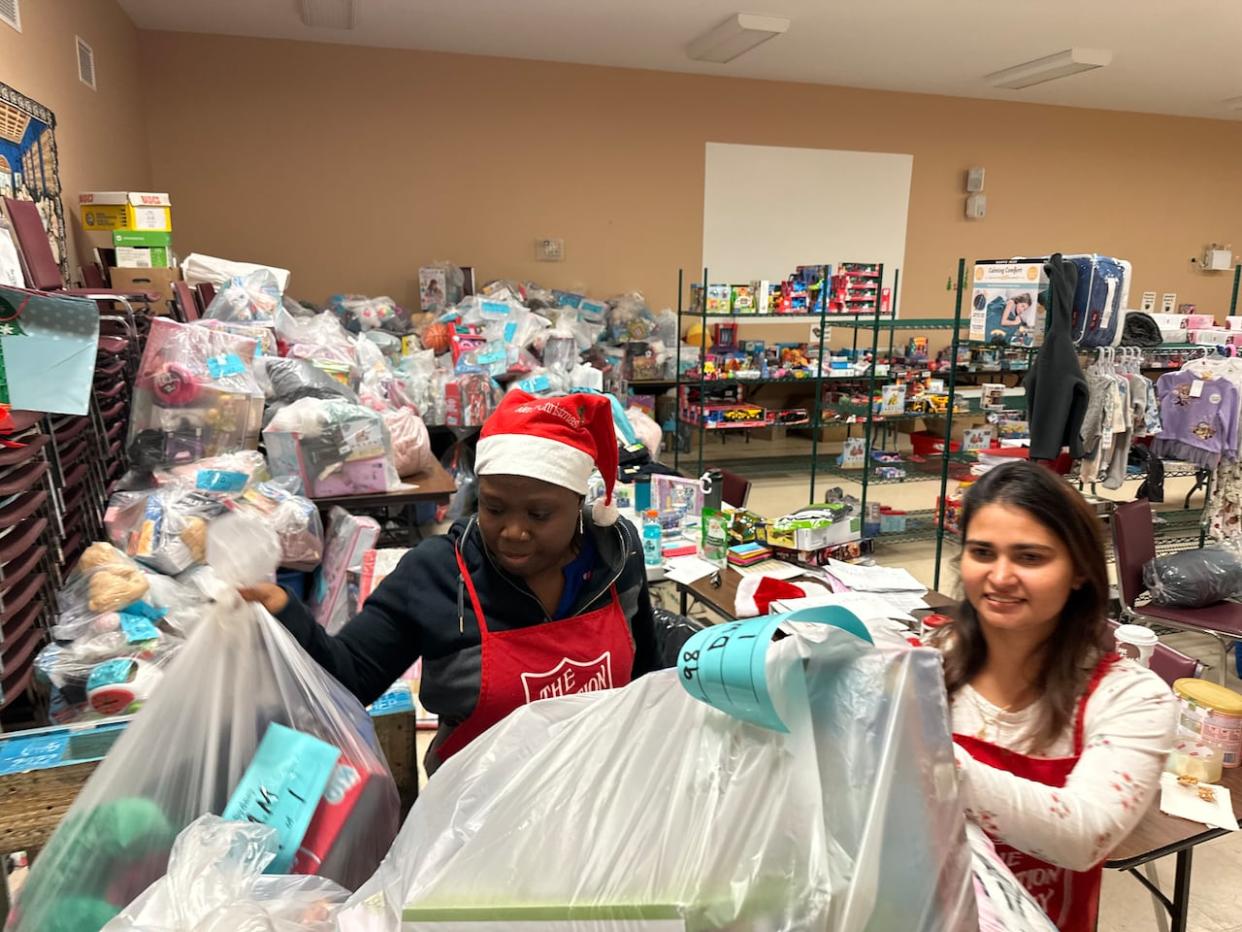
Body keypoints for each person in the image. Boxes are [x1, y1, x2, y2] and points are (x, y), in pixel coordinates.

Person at [241, 390, 662, 774]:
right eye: (494, 508)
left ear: (577, 503)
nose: (513, 532)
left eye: (539, 515)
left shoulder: (616, 557)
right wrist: (285, 611)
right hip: (473, 817)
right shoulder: (437, 574)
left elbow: (646, 679)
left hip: (592, 793)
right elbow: (349, 678)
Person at [930, 461, 1176, 932]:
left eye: (1030, 558)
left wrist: (931, 762)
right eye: (982, 552)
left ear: (1079, 571)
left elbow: (1084, 836)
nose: (1000, 577)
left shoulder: (1132, 698)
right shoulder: (934, 662)